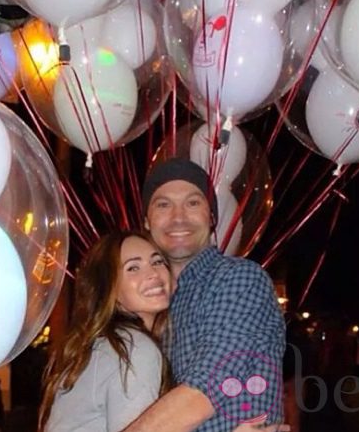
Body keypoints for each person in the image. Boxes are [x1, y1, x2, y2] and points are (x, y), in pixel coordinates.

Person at [122, 158, 286, 431]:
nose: (178, 217)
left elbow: (205, 390)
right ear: (146, 222)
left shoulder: (238, 279)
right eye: (163, 204)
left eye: (193, 202)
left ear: (212, 218)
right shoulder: (151, 305)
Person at [38, 231, 172, 432]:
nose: (153, 273)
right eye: (133, 268)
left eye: (158, 262)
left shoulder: (100, 345)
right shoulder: (132, 349)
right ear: (109, 287)